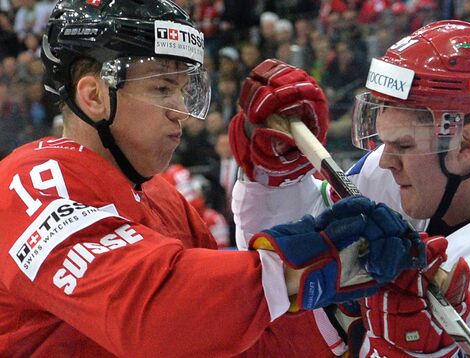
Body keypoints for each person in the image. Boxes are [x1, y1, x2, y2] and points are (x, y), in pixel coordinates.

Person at [0, 0, 425, 356]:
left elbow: (232, 339)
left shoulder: (162, 198)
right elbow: (154, 316)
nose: (180, 110)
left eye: (186, 91)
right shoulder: (30, 186)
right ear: (93, 96)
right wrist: (304, 264)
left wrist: (337, 311)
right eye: (163, 88)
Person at [230, 20, 470, 357]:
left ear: (465, 144)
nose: (385, 162)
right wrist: (276, 177)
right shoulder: (386, 178)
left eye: (405, 145)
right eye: (384, 142)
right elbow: (274, 262)